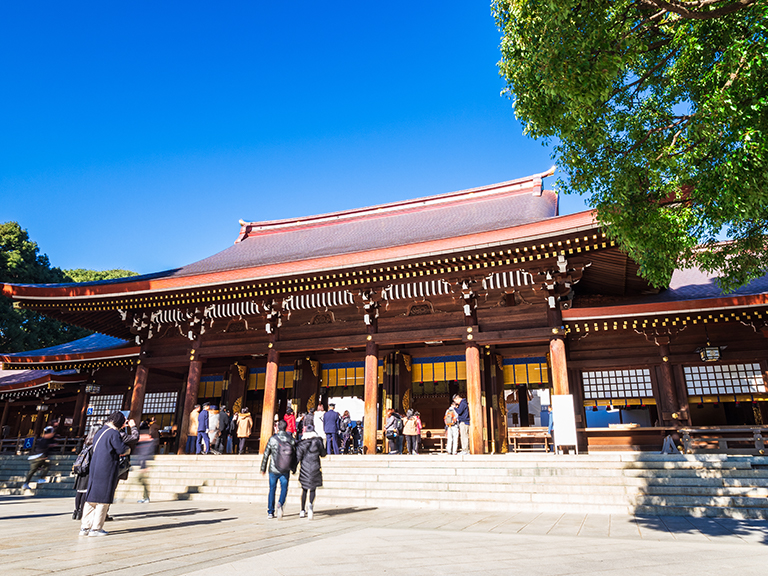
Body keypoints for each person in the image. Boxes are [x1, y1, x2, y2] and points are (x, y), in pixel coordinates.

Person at [79, 411, 132, 537]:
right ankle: (96, 528)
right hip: (107, 468)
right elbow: (120, 449)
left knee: (91, 498)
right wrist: (128, 449)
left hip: (95, 467)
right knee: (103, 499)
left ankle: (85, 526)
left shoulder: (99, 432)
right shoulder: (114, 433)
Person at [260, 420, 296, 519]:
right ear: (286, 427)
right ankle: (280, 503)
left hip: (273, 468)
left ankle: (270, 512)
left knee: (272, 489)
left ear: (277, 427)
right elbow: (294, 455)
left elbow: (266, 454)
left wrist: (263, 467)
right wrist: (293, 467)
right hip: (285, 468)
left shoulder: (272, 439)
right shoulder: (290, 439)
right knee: (284, 488)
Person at [295, 423, 326, 519]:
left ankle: (302, 510)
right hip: (315, 466)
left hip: (304, 467)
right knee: (313, 488)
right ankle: (310, 505)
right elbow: (323, 454)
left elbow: (298, 457)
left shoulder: (302, 444)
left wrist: (293, 468)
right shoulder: (318, 442)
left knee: (304, 489)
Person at [72, 424, 100, 520]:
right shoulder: (95, 444)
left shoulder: (86, 442)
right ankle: (82, 511)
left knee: (79, 491)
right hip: (89, 470)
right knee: (85, 491)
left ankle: (76, 511)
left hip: (81, 468)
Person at [22, 425, 56, 490]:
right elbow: (43, 448)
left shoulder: (41, 439)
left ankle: (26, 483)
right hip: (39, 457)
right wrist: (45, 456)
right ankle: (40, 478)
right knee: (46, 466)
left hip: (34, 457)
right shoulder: (44, 440)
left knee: (32, 471)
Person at [134, 421, 157, 503]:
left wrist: (144, 466)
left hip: (145, 463)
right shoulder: (149, 440)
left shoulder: (143, 440)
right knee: (142, 480)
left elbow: (144, 453)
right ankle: (145, 497)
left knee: (142, 480)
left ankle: (146, 497)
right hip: (144, 462)